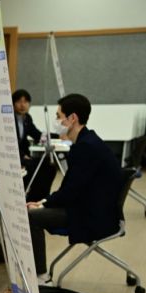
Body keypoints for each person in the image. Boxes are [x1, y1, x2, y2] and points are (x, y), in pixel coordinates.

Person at [26, 94, 122, 282]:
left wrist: (43, 204)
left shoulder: (86, 148)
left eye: (58, 116)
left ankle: (41, 278)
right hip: (95, 207)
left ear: (72, 118)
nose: (56, 121)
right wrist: (46, 202)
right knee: (35, 209)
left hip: (93, 216)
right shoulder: (88, 141)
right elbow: (73, 189)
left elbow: (71, 191)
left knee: (30, 217)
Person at [13, 89, 56, 201]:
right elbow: (9, 142)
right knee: (33, 167)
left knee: (49, 166)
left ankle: (40, 198)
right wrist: (22, 155)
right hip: (13, 155)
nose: (23, 105)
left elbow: (37, 135)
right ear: (13, 104)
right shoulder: (9, 119)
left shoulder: (27, 118)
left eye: (26, 101)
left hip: (24, 156)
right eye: (19, 101)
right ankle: (30, 199)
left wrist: (57, 136)